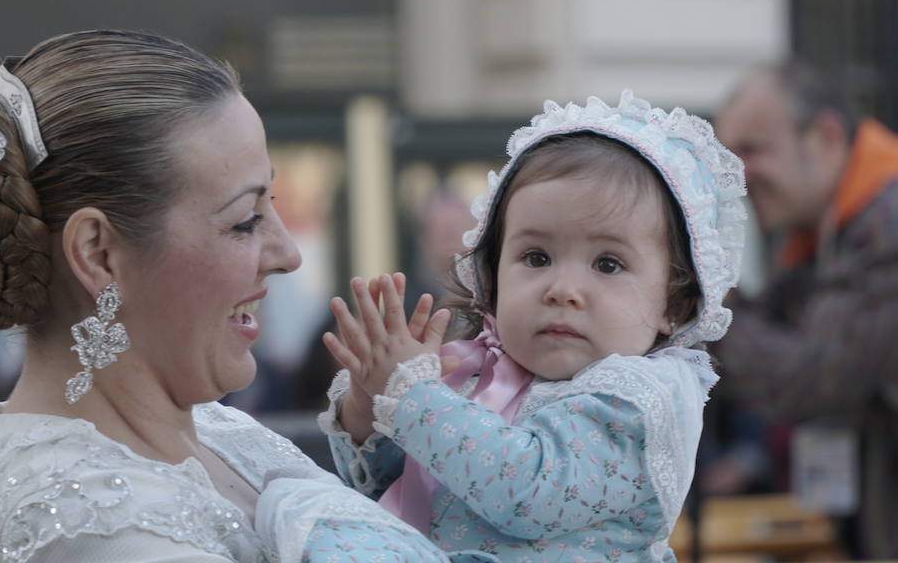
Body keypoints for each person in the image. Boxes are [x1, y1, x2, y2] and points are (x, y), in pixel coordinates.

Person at [0, 29, 496, 562]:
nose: (288, 254)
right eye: (245, 220)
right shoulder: (90, 517)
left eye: (274, 204)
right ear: (97, 253)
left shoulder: (221, 430)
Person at [313, 92, 747, 561]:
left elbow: (526, 490)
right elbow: (401, 487)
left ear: (675, 302)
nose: (562, 289)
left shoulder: (637, 400)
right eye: (536, 257)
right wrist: (367, 408)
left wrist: (411, 398)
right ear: (491, 271)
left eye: (607, 263)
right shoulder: (475, 376)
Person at [713, 61, 898, 559]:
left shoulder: (886, 227)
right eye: (728, 156)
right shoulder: (823, 230)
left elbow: (812, 381)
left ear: (826, 137)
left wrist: (706, 308)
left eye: (751, 151)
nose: (739, 176)